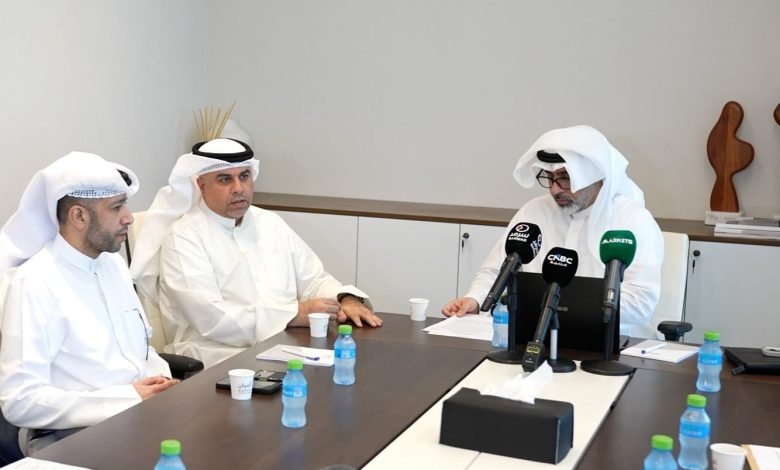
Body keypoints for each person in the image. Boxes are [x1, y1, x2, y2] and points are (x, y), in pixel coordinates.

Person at [130, 138, 382, 368]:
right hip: (215, 354)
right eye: (225, 180)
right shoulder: (184, 236)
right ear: (201, 185)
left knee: (355, 365)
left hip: (283, 344)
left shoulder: (269, 222)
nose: (238, 188)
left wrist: (346, 299)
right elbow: (213, 319)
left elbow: (314, 280)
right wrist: (295, 314)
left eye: (244, 176)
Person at [0, 152, 178, 455]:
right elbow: (20, 401)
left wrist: (163, 382)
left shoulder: (113, 264)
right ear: (79, 216)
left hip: (138, 416)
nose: (129, 217)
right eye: (116, 207)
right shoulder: (34, 283)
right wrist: (128, 398)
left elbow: (141, 351)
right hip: (67, 436)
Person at [442, 125, 663, 337]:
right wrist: (474, 299)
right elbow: (497, 270)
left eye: (565, 177)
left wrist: (569, 305)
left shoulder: (632, 220)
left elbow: (641, 302)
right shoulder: (533, 211)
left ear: (595, 176)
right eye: (550, 178)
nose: (554, 189)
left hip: (612, 342)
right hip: (534, 336)